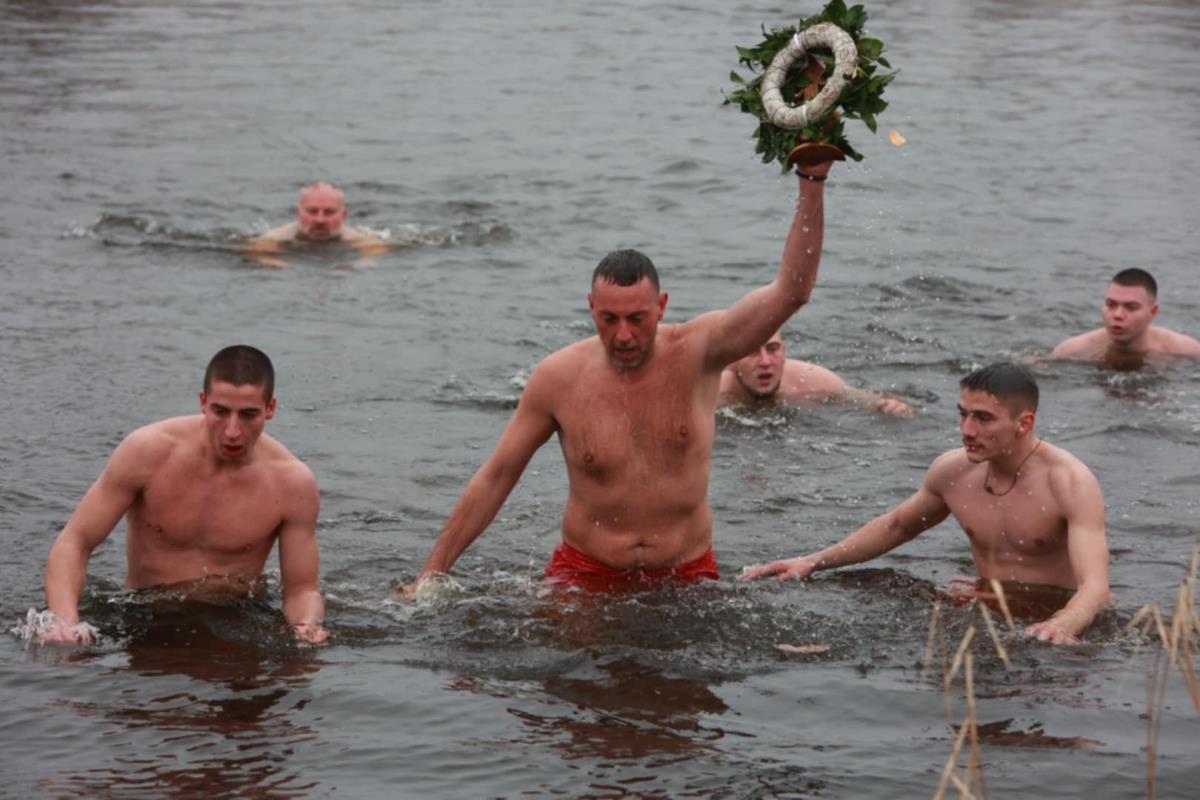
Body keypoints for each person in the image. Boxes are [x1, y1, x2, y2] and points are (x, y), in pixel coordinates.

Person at [401, 162, 835, 595]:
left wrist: (811, 182)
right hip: (586, 569)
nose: (623, 334)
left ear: (661, 306)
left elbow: (791, 291)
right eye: (609, 318)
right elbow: (498, 475)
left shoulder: (700, 352)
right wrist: (432, 572)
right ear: (591, 307)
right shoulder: (558, 377)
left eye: (637, 318)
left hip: (685, 570)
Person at [741, 363, 1110, 644]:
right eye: (963, 414)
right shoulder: (953, 472)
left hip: (1050, 614)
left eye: (983, 419)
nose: (967, 430)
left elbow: (1095, 587)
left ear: (1024, 423)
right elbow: (897, 526)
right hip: (987, 606)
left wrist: (1060, 626)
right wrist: (812, 561)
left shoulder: (1069, 483)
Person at [41, 345, 328, 644]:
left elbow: (301, 590)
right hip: (142, 617)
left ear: (270, 409)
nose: (232, 431)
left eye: (248, 415)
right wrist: (65, 621)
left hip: (234, 623)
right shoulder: (148, 451)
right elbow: (75, 541)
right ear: (203, 402)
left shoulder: (292, 483)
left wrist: (306, 625)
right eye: (220, 411)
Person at [719, 329, 913, 416]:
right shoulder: (712, 394)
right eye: (752, 351)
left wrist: (892, 407)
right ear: (731, 361)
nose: (765, 362)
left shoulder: (813, 382)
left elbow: (870, 400)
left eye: (772, 349)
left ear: (784, 352)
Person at [1052, 268, 1200, 367]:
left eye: (1131, 307)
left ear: (1152, 312)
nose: (1117, 315)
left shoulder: (1186, 351)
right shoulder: (1073, 350)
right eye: (1111, 304)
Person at [245, 182, 387, 268]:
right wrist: (270, 261)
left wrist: (361, 264)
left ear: (343, 216)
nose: (320, 220)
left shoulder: (357, 238)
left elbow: (375, 254)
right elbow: (258, 251)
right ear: (298, 213)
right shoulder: (277, 237)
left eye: (329, 212)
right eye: (312, 212)